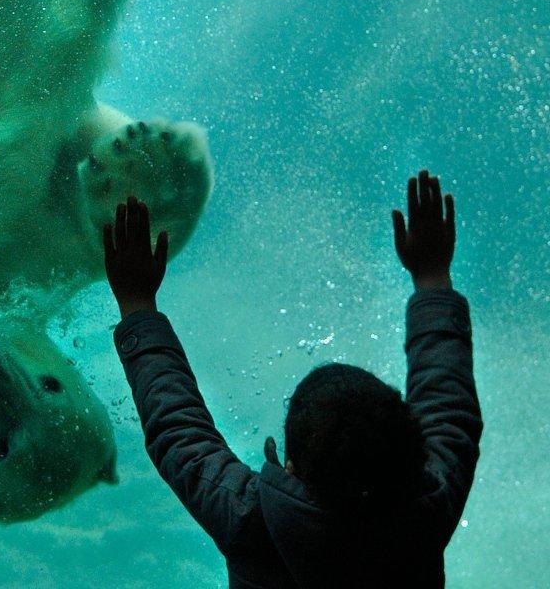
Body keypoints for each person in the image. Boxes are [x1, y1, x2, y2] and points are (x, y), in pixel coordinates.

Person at [104, 171, 481, 588]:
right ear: (414, 453)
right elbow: (450, 405)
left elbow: (177, 427)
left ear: (291, 467)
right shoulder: (428, 511)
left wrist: (137, 304)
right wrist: (433, 280)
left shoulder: (251, 521)